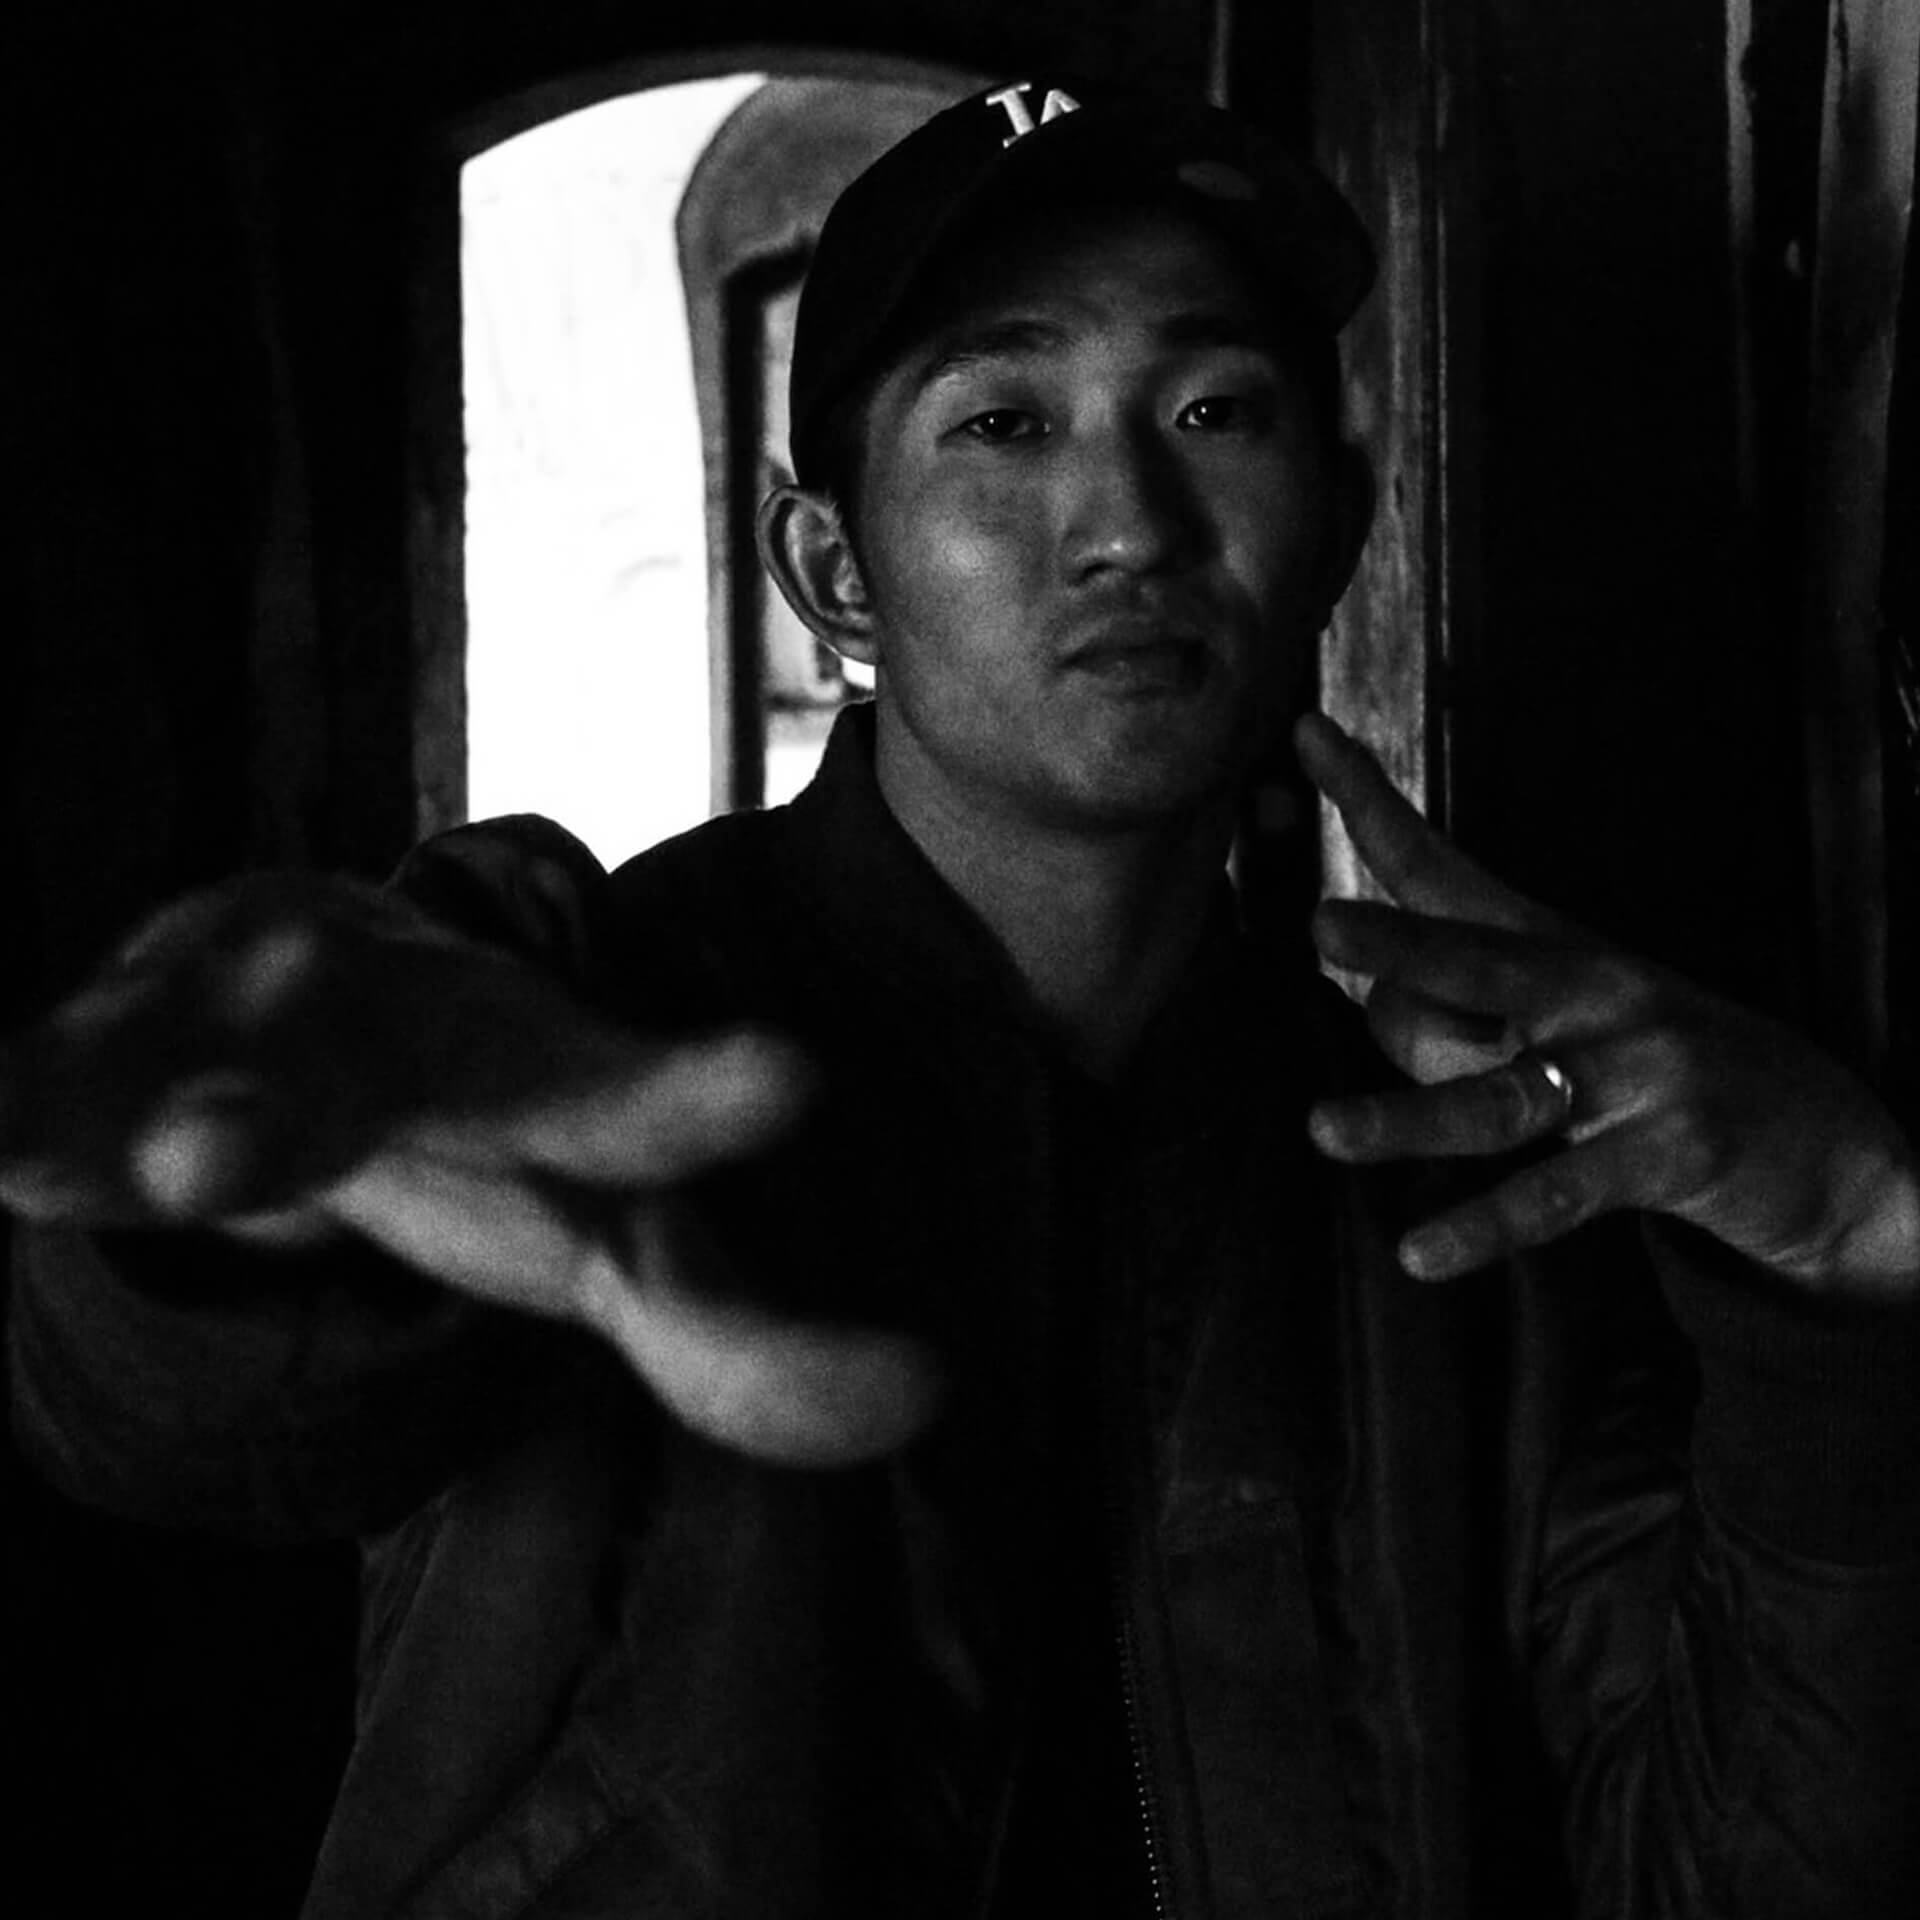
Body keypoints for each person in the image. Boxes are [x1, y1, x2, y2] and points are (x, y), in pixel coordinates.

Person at [5, 77, 1918, 1919]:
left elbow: (1733, 1865)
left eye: (1213, 408)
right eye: (1003, 421)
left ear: (1339, 528)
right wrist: (227, 1228)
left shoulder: (1471, 1185)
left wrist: (1845, 1253)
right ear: (832, 569)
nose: (1130, 522)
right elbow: (178, 1416)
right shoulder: (598, 1023)